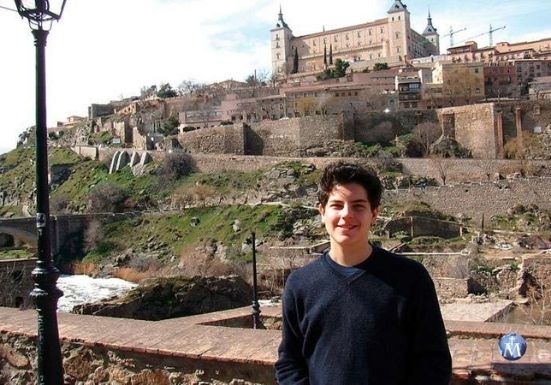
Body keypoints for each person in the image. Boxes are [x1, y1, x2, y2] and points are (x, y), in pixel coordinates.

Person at [275, 162, 451, 385]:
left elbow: (434, 362)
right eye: (337, 205)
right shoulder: (300, 284)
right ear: (322, 212)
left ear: (374, 214)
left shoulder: (411, 278)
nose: (346, 215)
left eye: (358, 206)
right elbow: (290, 363)